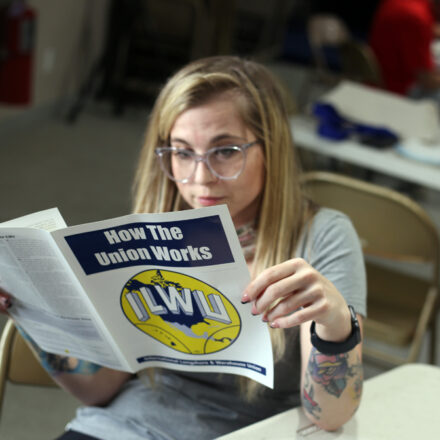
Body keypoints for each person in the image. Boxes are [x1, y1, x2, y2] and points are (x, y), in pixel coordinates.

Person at [0, 55, 366, 440]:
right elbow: (97, 390)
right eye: (182, 152)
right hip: (122, 427)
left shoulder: (322, 236)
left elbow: (330, 416)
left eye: (226, 151)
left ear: (271, 149)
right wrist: (32, 312)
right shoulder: (158, 229)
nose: (201, 178)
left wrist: (336, 324)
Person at [369, 0, 440, 98]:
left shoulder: (417, 7)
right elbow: (427, 80)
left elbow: (421, 27)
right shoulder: (417, 19)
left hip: (376, 67)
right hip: (392, 86)